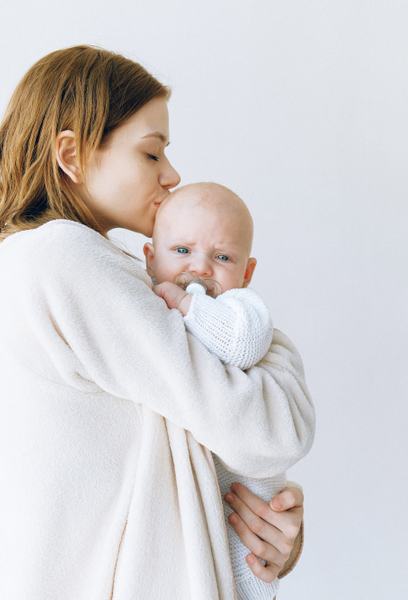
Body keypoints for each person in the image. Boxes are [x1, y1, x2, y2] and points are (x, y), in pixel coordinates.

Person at [0, 45, 315, 600]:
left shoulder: (92, 272)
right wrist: (266, 349)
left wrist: (264, 533)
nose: (172, 174)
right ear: (70, 154)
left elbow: (202, 436)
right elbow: (271, 431)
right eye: (151, 154)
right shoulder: (62, 259)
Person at [143, 180, 314, 600]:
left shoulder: (243, 311)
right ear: (149, 258)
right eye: (182, 251)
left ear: (246, 273)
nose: (200, 268)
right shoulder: (137, 300)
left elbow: (240, 345)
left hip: (246, 505)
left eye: (221, 257)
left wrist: (187, 307)